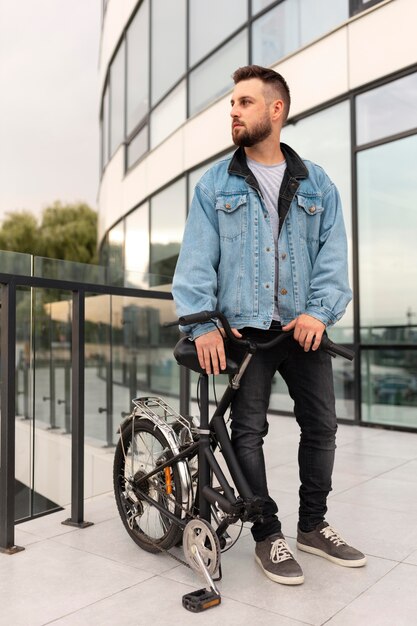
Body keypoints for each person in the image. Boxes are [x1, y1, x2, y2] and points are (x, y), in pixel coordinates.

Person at [172, 65, 366, 586]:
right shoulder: (215, 183)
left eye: (243, 102)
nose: (232, 110)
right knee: (249, 433)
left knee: (322, 427)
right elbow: (195, 262)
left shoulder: (317, 182)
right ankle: (267, 533)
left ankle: (312, 526)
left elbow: (333, 258)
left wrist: (319, 312)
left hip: (304, 329)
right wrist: (203, 324)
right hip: (244, 334)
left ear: (275, 110)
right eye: (231, 103)